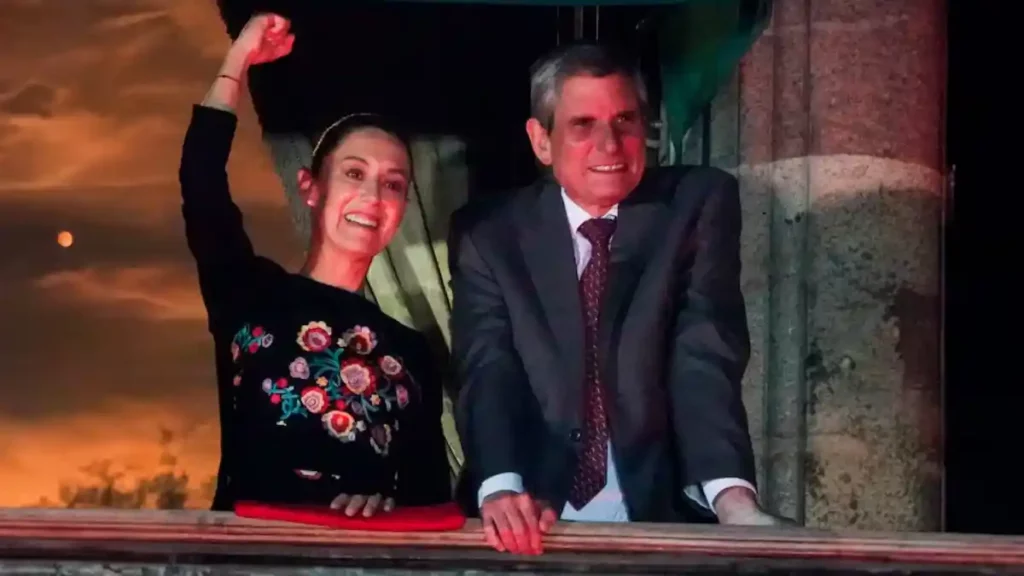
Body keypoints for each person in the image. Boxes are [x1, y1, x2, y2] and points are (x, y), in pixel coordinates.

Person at [449, 43, 794, 554]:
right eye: (583, 125)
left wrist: (732, 499)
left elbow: (703, 352)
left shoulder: (694, 204)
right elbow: (487, 366)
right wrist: (502, 488)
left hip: (657, 514)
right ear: (541, 141)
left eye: (625, 120)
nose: (610, 144)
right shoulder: (490, 232)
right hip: (532, 517)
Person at [180, 13, 451, 516]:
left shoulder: (411, 354)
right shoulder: (248, 294)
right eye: (354, 173)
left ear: (401, 211)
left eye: (393, 183)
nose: (372, 195)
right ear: (310, 187)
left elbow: (430, 501)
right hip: (248, 560)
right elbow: (201, 183)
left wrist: (386, 505)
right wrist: (239, 59)